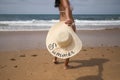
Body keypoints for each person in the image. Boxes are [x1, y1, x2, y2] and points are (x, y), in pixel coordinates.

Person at [53, 0, 76, 69]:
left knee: (61, 42)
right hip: (68, 24)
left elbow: (64, 9)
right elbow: (66, 7)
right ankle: (66, 65)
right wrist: (69, 18)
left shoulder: (59, 1)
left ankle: (55, 59)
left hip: (61, 23)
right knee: (69, 43)